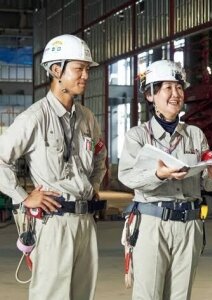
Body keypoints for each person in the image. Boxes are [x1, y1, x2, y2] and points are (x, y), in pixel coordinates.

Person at [0, 34, 107, 300]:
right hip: (52, 222)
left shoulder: (87, 118)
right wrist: (24, 197)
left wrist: (93, 185)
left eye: (86, 69)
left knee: (83, 294)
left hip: (85, 222)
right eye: (78, 69)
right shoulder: (34, 118)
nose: (85, 75)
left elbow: (99, 157)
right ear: (56, 70)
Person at [118, 60, 212, 300]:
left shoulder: (195, 135)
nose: (176, 94)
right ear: (150, 94)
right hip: (152, 223)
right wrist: (158, 175)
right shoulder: (138, 136)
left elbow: (208, 183)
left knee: (181, 296)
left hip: (189, 224)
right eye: (167, 88)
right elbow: (127, 176)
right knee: (149, 295)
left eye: (179, 87)